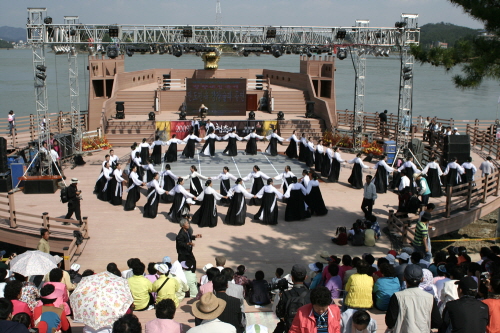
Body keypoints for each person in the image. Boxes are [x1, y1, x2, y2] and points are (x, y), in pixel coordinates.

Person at [385, 264, 442, 333]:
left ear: (404, 278)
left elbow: (390, 322)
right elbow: (437, 322)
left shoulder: (397, 296)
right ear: (422, 279)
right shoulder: (430, 298)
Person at [275, 264, 310, 333]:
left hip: (290, 328)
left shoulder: (285, 294)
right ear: (306, 277)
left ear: (292, 278)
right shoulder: (311, 295)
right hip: (305, 329)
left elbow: (279, 313)